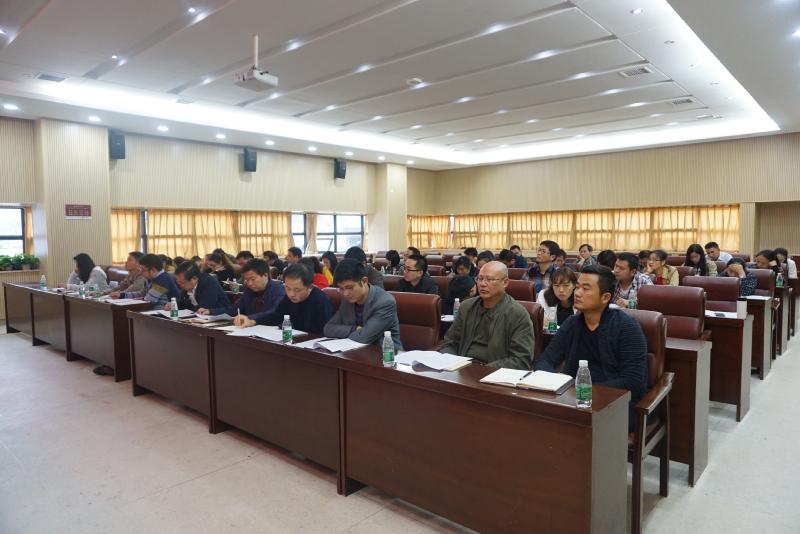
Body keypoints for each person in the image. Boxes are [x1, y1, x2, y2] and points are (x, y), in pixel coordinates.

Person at [535, 265, 648, 432]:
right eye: (577, 287)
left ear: (605, 297)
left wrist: (581, 388)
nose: (577, 293)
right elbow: (545, 360)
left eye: (586, 288)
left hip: (616, 404)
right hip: (573, 398)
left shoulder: (626, 327)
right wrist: (556, 382)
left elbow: (633, 381)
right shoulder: (572, 323)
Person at [439, 261, 534, 370]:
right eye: (480, 279)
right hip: (461, 369)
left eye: (490, 279)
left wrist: (483, 370)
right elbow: (449, 342)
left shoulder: (518, 314)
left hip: (494, 373)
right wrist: (452, 362)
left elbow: (521, 360)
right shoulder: (466, 307)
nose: (482, 284)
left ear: (505, 282)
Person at [323, 259, 402, 350]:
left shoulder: (385, 302)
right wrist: (354, 329)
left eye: (350, 287)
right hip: (353, 353)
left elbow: (363, 338)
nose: (345, 293)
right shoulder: (347, 300)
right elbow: (328, 328)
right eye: (341, 288)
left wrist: (345, 333)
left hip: (385, 354)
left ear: (364, 281)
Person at [237, 264, 334, 333]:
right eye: (287, 288)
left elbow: (325, 331)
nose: (291, 294)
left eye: (297, 290)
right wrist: (252, 321)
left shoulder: (321, 301)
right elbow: (276, 316)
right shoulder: (289, 298)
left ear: (310, 287)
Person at [200, 259, 285, 320]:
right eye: (247, 280)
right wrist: (210, 311)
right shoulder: (249, 291)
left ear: (265, 275)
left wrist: (250, 319)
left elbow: (274, 312)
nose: (249, 283)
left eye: (253, 279)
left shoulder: (279, 291)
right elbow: (234, 309)